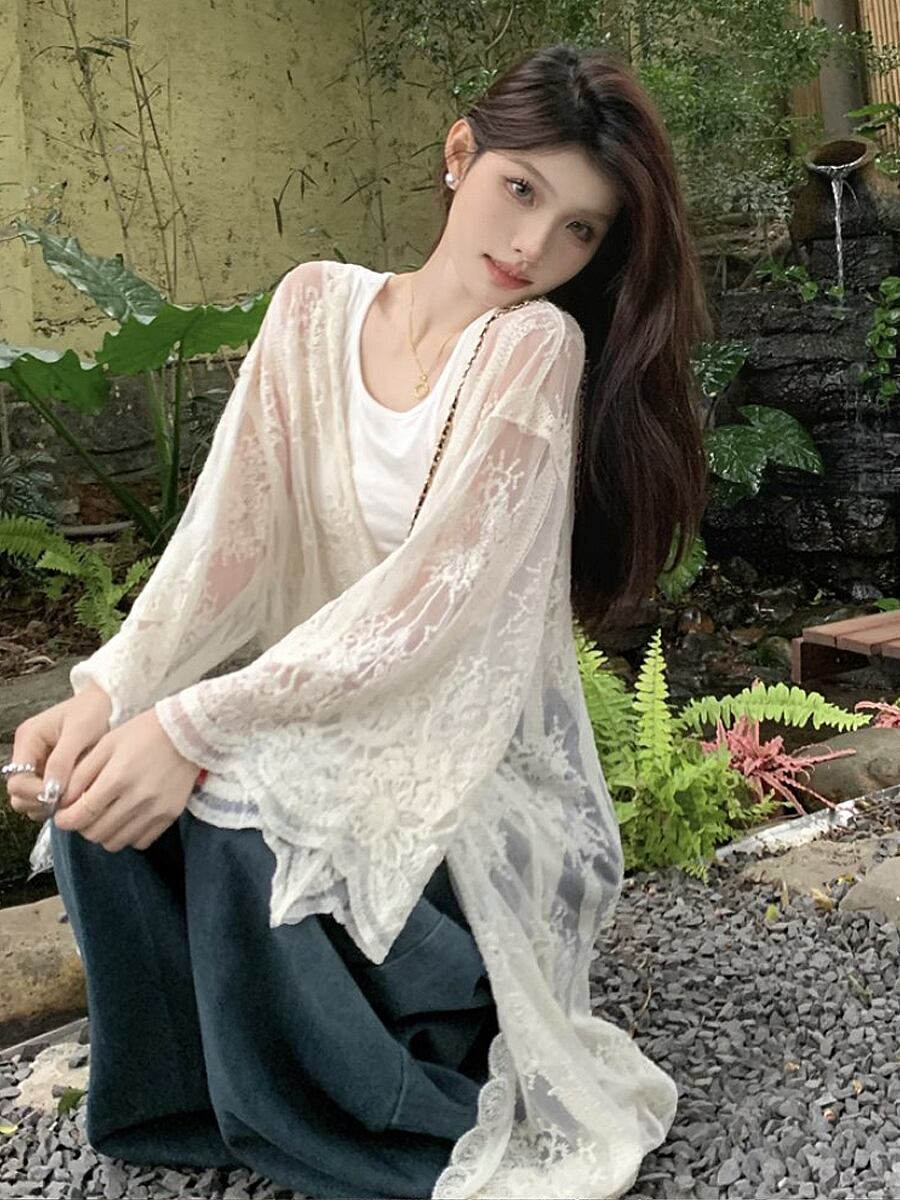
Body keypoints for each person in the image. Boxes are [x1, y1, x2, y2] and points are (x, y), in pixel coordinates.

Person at [4, 41, 709, 1200]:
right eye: (520, 189)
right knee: (101, 781)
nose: (533, 246)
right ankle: (188, 1090)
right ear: (459, 154)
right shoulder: (311, 306)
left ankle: (346, 1109)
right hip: (312, 709)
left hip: (458, 762)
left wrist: (195, 726)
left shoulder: (534, 346)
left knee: (235, 793)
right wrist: (108, 693)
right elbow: (223, 548)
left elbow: (424, 611)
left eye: (579, 229)